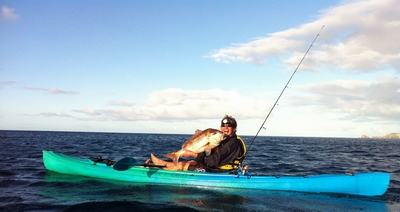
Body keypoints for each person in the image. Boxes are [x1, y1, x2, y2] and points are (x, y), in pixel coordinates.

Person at [149, 115, 247, 172]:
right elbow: (206, 153)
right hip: (214, 167)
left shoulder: (234, 143)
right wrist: (195, 156)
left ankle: (159, 171)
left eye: (229, 126)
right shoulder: (222, 140)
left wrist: (192, 154)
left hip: (222, 172)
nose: (225, 128)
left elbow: (213, 161)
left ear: (234, 129)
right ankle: (162, 163)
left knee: (183, 165)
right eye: (223, 126)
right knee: (191, 162)